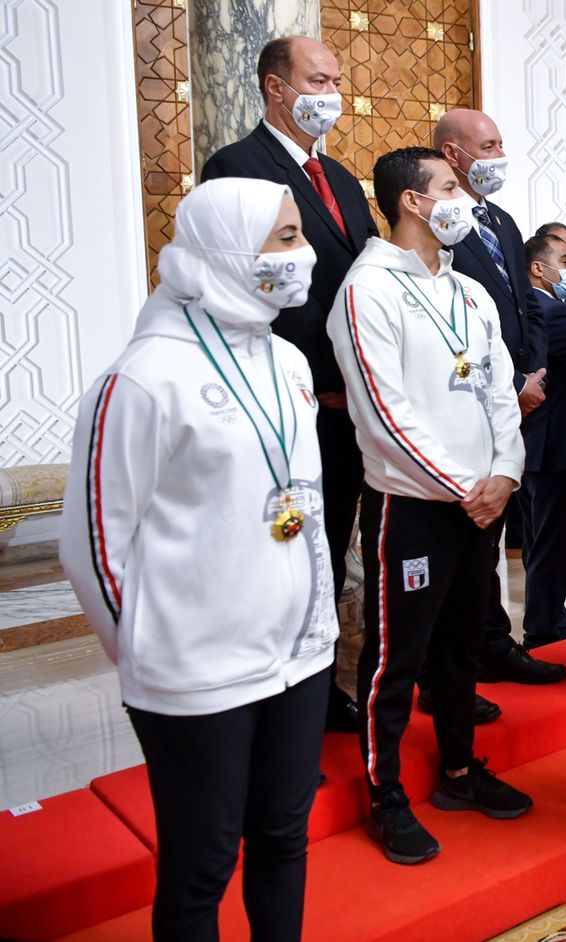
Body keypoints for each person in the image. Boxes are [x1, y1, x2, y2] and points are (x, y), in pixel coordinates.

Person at [60, 179, 336, 940]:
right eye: (286, 237)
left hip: (300, 656)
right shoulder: (144, 377)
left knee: (283, 839)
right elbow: (91, 543)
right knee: (202, 866)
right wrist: (152, 649)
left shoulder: (289, 361)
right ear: (225, 249)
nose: (305, 254)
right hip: (196, 675)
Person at [328, 147, 532, 866]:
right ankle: (386, 794)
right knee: (396, 655)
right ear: (412, 202)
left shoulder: (469, 290)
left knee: (460, 646)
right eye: (448, 187)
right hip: (415, 504)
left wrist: (504, 471)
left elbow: (500, 389)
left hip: (481, 501)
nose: (463, 200)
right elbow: (385, 413)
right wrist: (465, 487)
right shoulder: (367, 290)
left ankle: (459, 771)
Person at [201, 35, 379, 734]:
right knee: (288, 548)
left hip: (349, 401)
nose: (332, 94)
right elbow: (251, 288)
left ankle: (325, 678)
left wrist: (357, 377)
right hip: (291, 398)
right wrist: (316, 379)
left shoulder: (340, 177)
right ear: (276, 88)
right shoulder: (237, 165)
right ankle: (284, 692)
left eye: (336, 80)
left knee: (331, 547)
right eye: (318, 80)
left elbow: (360, 282)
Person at [431, 108, 566, 688]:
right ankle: (458, 657)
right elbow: (446, 321)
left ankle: (492, 640)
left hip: (517, 394)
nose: (499, 156)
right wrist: (509, 388)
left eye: (500, 144)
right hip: (469, 398)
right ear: (453, 154)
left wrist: (531, 372)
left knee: (497, 530)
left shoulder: (502, 221)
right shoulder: (440, 225)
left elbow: (526, 304)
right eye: (487, 146)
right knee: (468, 534)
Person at [519, 233, 566, 647]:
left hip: (536, 446)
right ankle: (548, 630)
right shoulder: (553, 313)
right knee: (558, 545)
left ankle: (545, 624)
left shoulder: (525, 309)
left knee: (541, 544)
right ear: (538, 268)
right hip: (560, 447)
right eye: (565, 260)